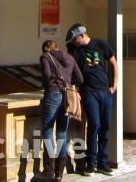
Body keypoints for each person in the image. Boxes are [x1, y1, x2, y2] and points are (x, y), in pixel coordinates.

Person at [66, 24, 118, 176]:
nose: (74, 42)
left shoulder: (100, 44)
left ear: (82, 35)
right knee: (94, 124)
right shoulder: (75, 50)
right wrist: (75, 89)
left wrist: (114, 85)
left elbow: (113, 63)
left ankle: (103, 162)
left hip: (105, 90)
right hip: (88, 91)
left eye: (75, 39)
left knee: (105, 126)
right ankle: (91, 162)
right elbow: (71, 70)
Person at [40, 40, 83, 180]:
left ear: (46, 49)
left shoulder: (46, 56)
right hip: (68, 97)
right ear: (57, 47)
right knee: (62, 133)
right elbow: (80, 78)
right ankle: (59, 174)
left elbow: (46, 74)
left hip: (53, 94)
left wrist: (47, 86)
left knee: (47, 130)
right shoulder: (70, 57)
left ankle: (49, 171)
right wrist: (70, 84)